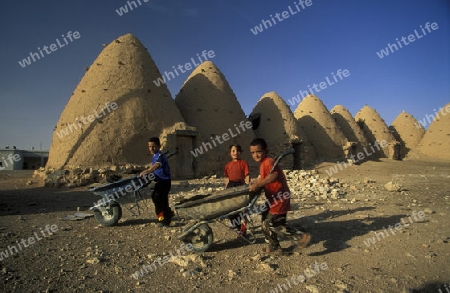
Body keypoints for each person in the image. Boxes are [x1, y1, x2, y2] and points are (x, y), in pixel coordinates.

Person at [248, 138, 311, 254]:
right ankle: (274, 247)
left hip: (280, 198)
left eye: (258, 151)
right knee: (265, 220)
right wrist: (256, 182)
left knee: (274, 224)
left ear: (265, 151)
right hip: (273, 198)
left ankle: (301, 236)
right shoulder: (263, 164)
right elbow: (264, 177)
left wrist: (259, 185)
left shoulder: (268, 162)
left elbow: (273, 177)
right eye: (252, 152)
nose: (255, 155)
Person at [140, 137, 174, 227]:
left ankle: (163, 220)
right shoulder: (155, 155)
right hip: (160, 182)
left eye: (154, 146)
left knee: (160, 200)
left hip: (164, 182)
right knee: (158, 199)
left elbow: (157, 165)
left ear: (159, 146)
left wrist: (147, 171)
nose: (151, 148)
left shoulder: (160, 155)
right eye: (149, 146)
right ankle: (167, 215)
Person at [224, 144, 250, 238]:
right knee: (231, 209)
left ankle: (243, 229)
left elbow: (247, 176)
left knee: (243, 209)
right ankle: (238, 226)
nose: (235, 153)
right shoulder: (228, 165)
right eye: (233, 151)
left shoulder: (243, 163)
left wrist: (247, 187)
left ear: (240, 152)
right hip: (231, 186)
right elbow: (227, 178)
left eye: (237, 151)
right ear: (229, 153)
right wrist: (225, 190)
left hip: (240, 186)